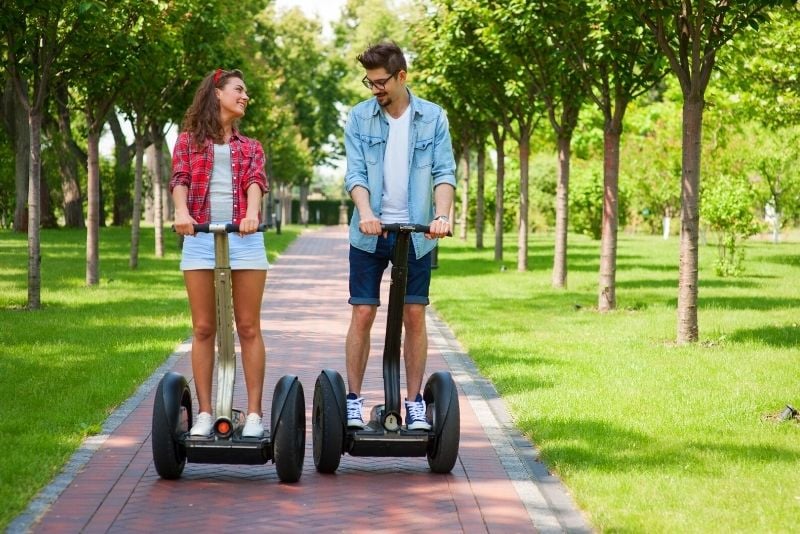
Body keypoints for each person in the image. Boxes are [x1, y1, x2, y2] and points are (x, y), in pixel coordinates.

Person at [343, 42, 456, 430]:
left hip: (417, 233)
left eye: (380, 82)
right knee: (363, 311)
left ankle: (414, 404)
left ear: (401, 76)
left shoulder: (433, 118)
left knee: (414, 314)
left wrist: (442, 215)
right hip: (370, 232)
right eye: (369, 83)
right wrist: (367, 213)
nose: (374, 90)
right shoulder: (359, 118)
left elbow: (444, 173)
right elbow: (356, 174)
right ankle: (353, 401)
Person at [170, 68, 270, 438]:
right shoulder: (186, 142)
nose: (246, 96)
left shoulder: (251, 146)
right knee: (203, 328)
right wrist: (182, 213)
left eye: (246, 91)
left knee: (247, 327)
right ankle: (205, 412)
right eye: (239, 90)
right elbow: (179, 179)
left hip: (244, 242)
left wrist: (251, 214)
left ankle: (256, 415)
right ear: (216, 93)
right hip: (199, 238)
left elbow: (255, 182)